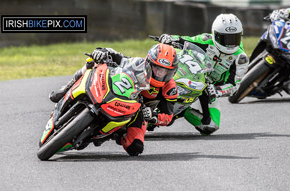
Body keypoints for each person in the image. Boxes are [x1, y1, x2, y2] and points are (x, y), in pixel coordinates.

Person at [49, 43, 179, 156]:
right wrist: (102, 52)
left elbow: (168, 116)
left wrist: (153, 116)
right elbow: (118, 56)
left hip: (139, 112)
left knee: (135, 148)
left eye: (165, 71)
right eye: (157, 68)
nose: (160, 74)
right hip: (120, 94)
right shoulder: (138, 64)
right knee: (92, 62)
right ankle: (66, 89)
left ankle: (117, 133)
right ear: (149, 63)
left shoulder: (170, 89)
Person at [158, 13, 249, 135]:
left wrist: (217, 90)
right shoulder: (206, 39)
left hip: (210, 88)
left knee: (210, 126)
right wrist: (170, 38)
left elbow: (234, 85)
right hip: (193, 72)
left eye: (234, 38)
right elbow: (185, 40)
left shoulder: (241, 58)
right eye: (226, 39)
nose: (230, 44)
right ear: (215, 35)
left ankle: (182, 110)